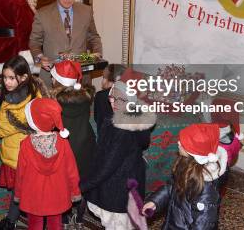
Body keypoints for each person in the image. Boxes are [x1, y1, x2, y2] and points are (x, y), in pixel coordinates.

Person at [80, 80, 156, 230]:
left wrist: (84, 185)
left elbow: (107, 164)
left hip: (116, 189)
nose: (113, 102)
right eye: (111, 97)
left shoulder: (121, 128)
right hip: (130, 182)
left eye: (120, 99)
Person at [0, 55, 48, 230]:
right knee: (23, 193)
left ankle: (34, 224)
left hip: (18, 156)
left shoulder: (11, 105)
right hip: (34, 153)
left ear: (23, 77)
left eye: (11, 78)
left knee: (25, 195)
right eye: (5, 77)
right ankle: (11, 222)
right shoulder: (36, 93)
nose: (7, 82)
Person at [142, 123, 228, 230]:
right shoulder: (185, 164)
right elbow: (172, 186)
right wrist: (155, 201)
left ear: (194, 152)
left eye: (183, 143)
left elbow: (203, 224)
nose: (178, 143)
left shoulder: (206, 187)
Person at [14, 98, 81, 230]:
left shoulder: (26, 144)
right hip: (57, 194)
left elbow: (20, 173)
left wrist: (18, 193)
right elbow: (72, 171)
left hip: (33, 195)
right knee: (56, 225)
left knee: (34, 225)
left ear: (33, 121)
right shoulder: (63, 143)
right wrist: (75, 191)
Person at [29, 0, 102, 86]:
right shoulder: (42, 14)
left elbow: (94, 37)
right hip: (52, 76)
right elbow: (34, 42)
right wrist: (40, 58)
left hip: (80, 76)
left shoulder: (86, 11)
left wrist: (97, 52)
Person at [50, 60, 96, 226]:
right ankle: (80, 214)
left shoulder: (54, 103)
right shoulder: (85, 98)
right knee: (81, 178)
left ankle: (63, 216)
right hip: (84, 142)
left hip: (64, 146)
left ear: (57, 81)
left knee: (62, 183)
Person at [93, 64, 126, 133]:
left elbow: (96, 118)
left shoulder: (100, 96)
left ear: (107, 79)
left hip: (106, 135)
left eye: (104, 77)